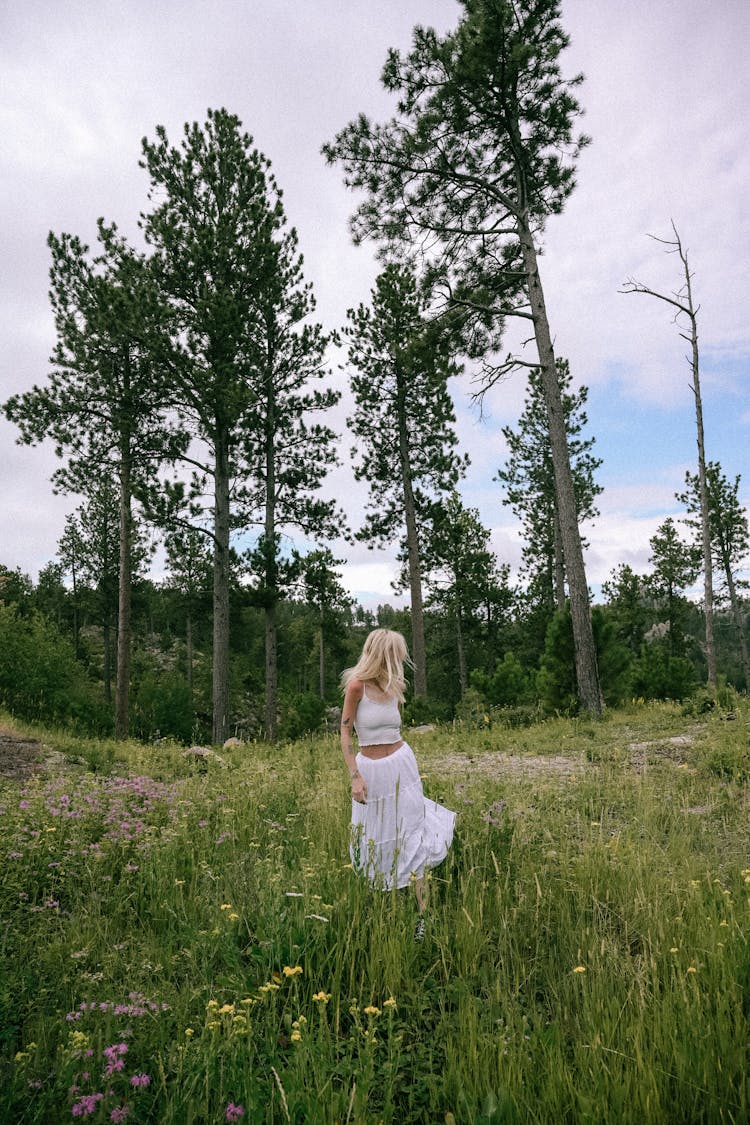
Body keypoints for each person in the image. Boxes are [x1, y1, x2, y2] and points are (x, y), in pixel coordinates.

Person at [340, 628, 455, 940]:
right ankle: (379, 911)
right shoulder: (356, 687)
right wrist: (355, 776)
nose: (398, 660)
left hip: (402, 766)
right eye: (393, 654)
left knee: (412, 835)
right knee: (376, 839)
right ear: (379, 653)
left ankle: (423, 920)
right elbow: (345, 734)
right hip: (371, 771)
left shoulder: (396, 686)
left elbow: (395, 728)